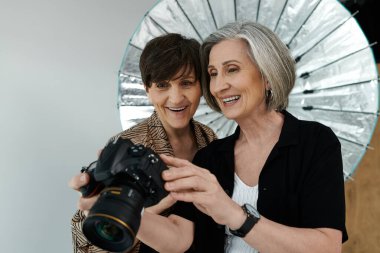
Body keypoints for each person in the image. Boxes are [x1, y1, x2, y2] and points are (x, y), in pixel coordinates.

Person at [133, 21, 347, 252]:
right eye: (213, 73)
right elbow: (178, 238)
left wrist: (235, 215)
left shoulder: (314, 142)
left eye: (232, 69)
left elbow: (327, 246)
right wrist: (117, 210)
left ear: (267, 75)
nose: (218, 86)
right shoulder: (209, 157)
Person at [69, 33, 217, 253]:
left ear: (201, 87)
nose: (176, 98)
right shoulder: (128, 146)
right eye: (162, 85)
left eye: (186, 83)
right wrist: (143, 215)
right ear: (148, 89)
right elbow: (85, 244)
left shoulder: (210, 138)